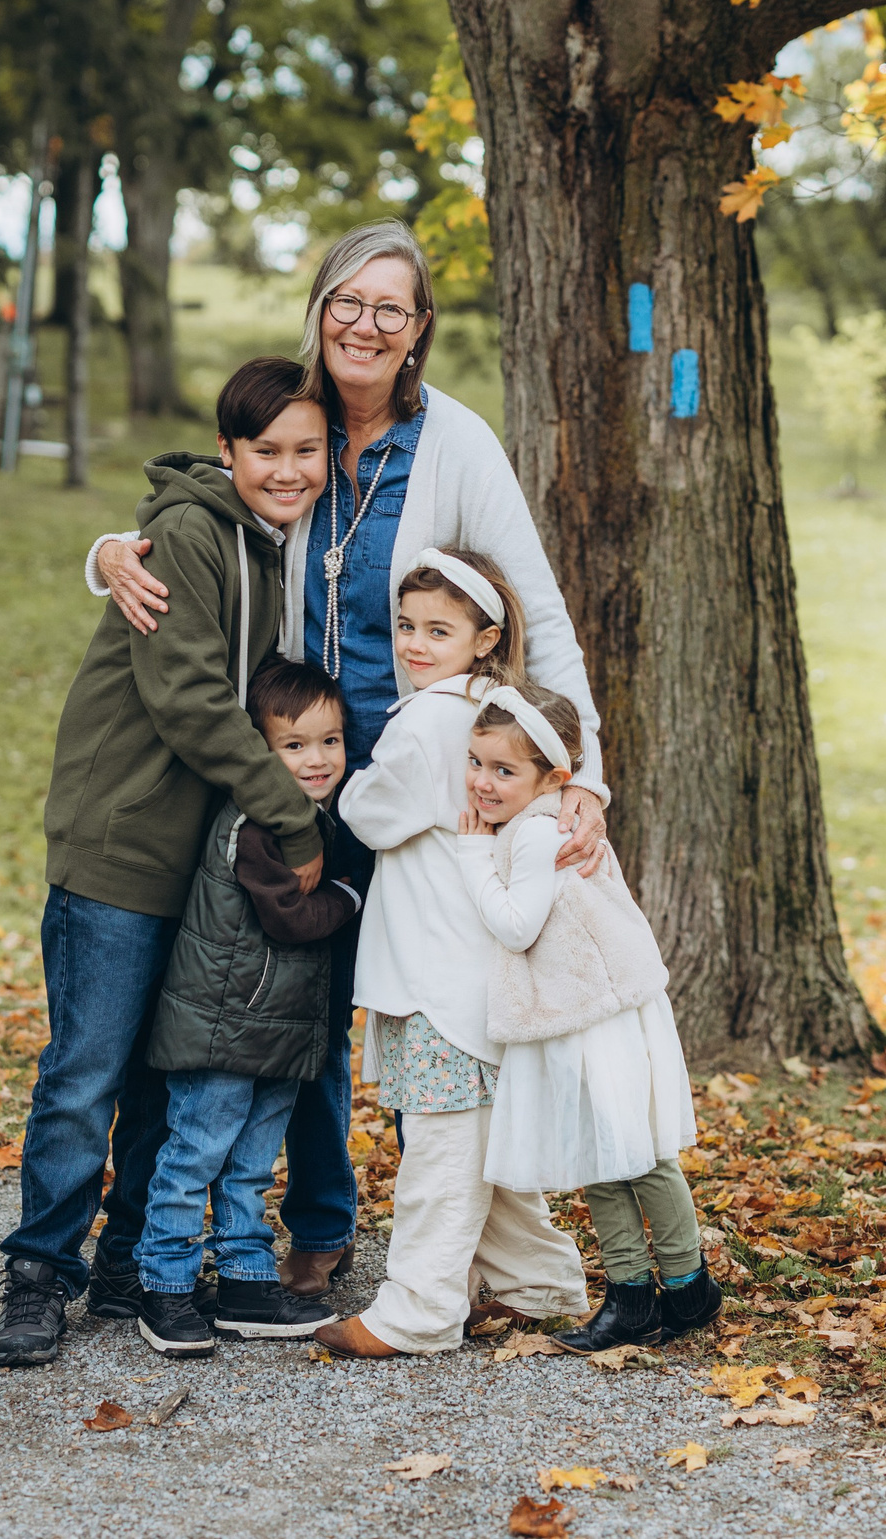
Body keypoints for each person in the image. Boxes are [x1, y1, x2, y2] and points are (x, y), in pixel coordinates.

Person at [84, 220, 611, 1297]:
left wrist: (583, 772)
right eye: (347, 302)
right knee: (304, 997)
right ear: (319, 310)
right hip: (295, 771)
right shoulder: (297, 425)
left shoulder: (454, 443)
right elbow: (188, 518)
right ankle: (316, 1225)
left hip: (426, 784)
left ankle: (451, 1248)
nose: (365, 325)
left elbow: (536, 611)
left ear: (417, 330)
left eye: (391, 308)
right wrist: (100, 557)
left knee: (434, 1007)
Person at [0, 357, 330, 1369]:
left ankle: (130, 1260)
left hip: (197, 865)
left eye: (304, 450)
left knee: (160, 1072)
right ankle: (38, 1269)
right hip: (121, 844)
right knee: (85, 1073)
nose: (286, 468)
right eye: (265, 450)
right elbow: (188, 700)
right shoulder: (189, 535)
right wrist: (293, 820)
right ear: (227, 454)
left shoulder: (269, 547)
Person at [311, 549, 588, 1358]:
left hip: (437, 972)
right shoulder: (495, 711)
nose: (415, 643)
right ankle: (546, 1287)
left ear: (485, 635)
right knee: (481, 1151)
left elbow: (365, 810)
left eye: (439, 628)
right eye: (405, 625)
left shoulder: (432, 719)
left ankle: (419, 1310)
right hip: (467, 969)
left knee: (439, 1150)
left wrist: (358, 784)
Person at [454, 680, 719, 1350]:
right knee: (603, 1155)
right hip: (573, 1013)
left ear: (554, 777)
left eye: (504, 770)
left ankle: (688, 1285)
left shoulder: (537, 834)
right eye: (477, 762)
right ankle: (631, 1293)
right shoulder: (537, 822)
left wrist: (474, 859)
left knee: (637, 1154)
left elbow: (517, 926)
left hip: (594, 1018)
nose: (483, 782)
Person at [133, 658, 371, 1358]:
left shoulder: (316, 819)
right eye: (294, 745)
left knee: (251, 1163)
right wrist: (351, 898)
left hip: (277, 1031)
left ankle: (244, 1277)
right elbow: (289, 918)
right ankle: (165, 1284)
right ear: (260, 752)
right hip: (224, 1026)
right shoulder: (259, 823)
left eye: (330, 740)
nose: (317, 758)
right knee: (195, 1155)